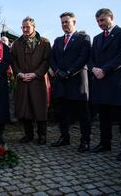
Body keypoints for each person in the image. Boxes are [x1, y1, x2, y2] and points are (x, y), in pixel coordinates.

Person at [90, 8, 121, 162]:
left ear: (111, 17)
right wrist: (94, 68)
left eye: (102, 20)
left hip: (117, 83)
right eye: (97, 21)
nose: (100, 24)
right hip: (100, 82)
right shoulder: (97, 38)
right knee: (104, 117)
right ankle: (104, 143)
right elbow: (91, 58)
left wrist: (104, 70)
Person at [50, 12, 91, 152]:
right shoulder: (58, 40)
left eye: (66, 22)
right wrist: (56, 71)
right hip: (61, 81)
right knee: (62, 112)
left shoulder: (83, 37)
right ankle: (64, 137)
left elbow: (83, 57)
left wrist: (69, 72)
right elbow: (52, 58)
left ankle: (85, 140)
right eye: (62, 22)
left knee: (82, 113)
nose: (64, 25)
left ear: (74, 22)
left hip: (77, 80)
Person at [11, 17, 51, 145]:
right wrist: (20, 74)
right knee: (25, 108)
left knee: (39, 108)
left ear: (34, 27)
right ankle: (28, 135)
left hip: (38, 80)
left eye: (27, 27)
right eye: (23, 27)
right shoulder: (16, 43)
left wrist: (35, 74)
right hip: (22, 80)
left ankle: (42, 135)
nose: (25, 29)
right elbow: (13, 61)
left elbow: (46, 61)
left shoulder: (44, 42)